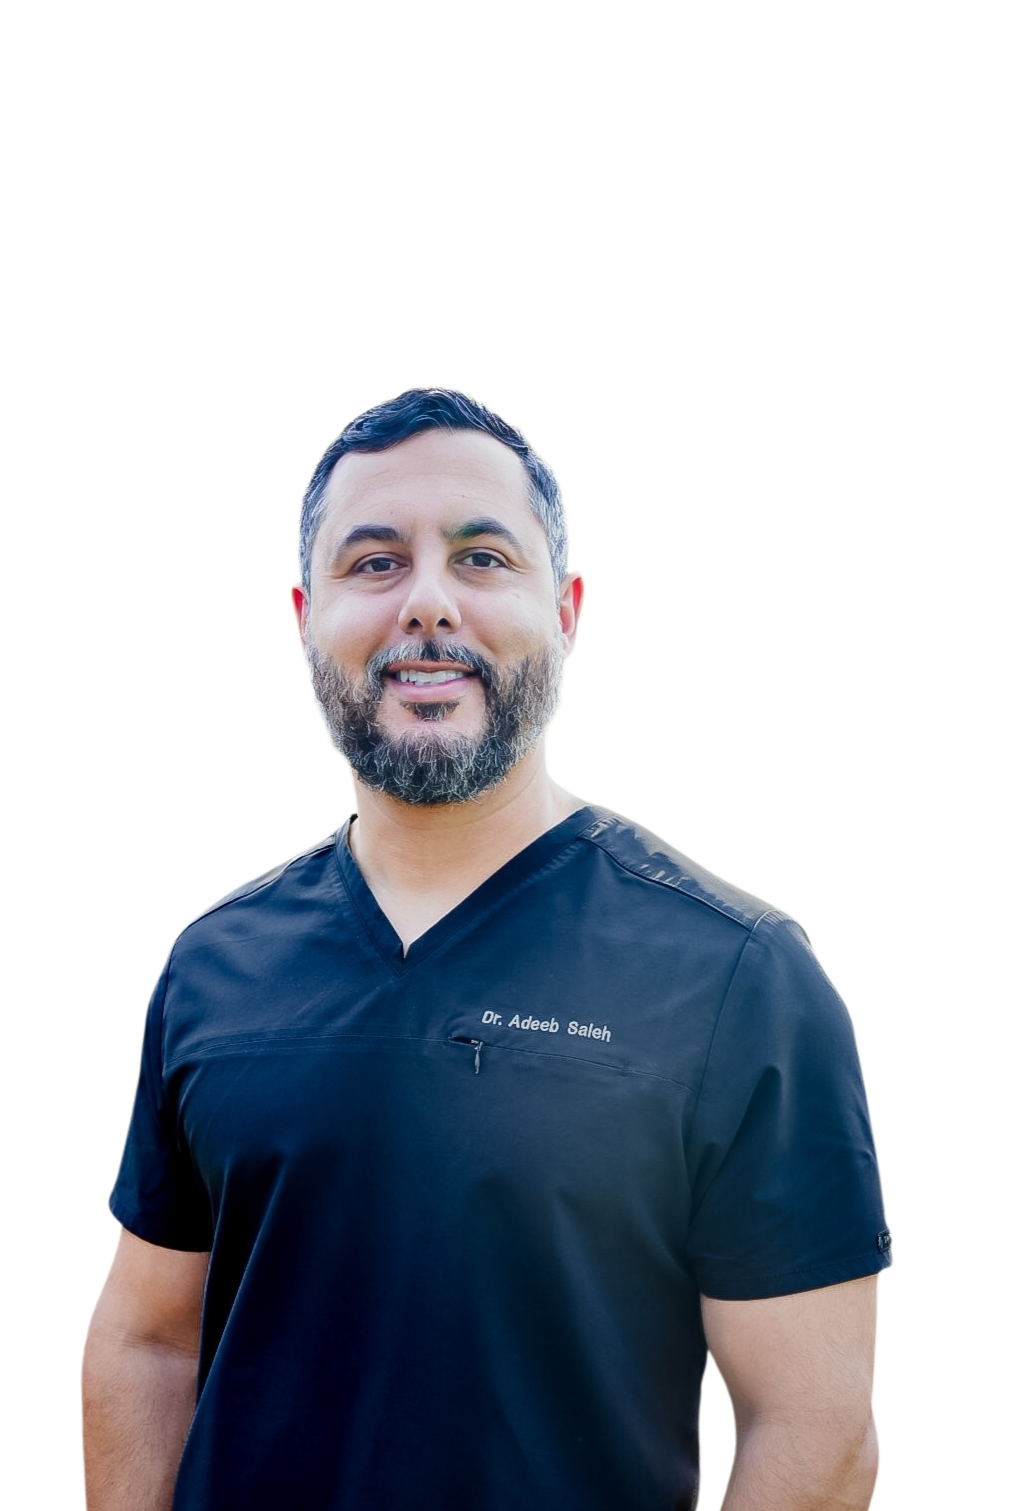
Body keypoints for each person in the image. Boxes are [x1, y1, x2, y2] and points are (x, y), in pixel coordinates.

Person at [81, 386, 892, 1511]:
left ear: (563, 611)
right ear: (306, 614)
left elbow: (810, 1426)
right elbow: (148, 1337)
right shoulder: (213, 964)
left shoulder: (738, 976)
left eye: (480, 558)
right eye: (374, 562)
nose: (425, 603)